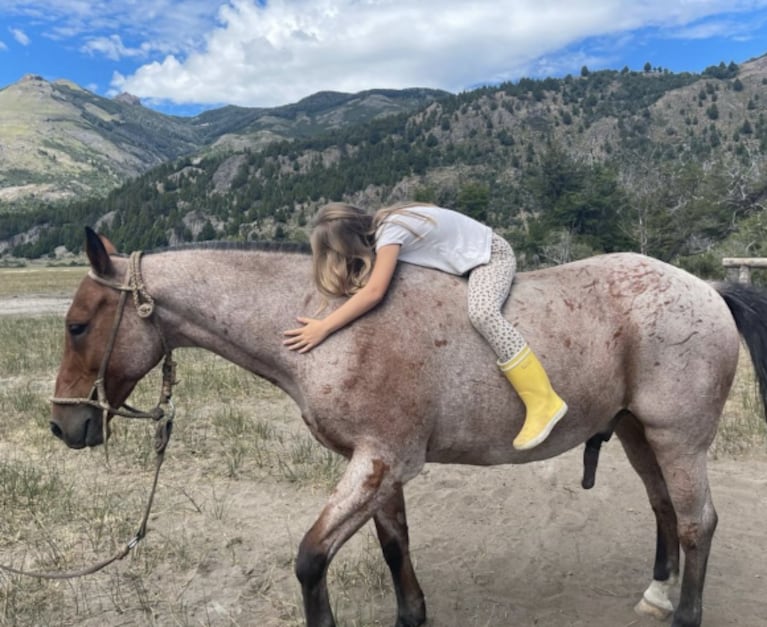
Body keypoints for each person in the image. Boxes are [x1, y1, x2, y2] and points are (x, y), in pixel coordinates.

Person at [283, 201, 567, 450]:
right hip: (466, 259)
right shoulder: (386, 226)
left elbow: (374, 292)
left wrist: (324, 327)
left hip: (491, 257)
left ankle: (544, 400)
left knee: (483, 313)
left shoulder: (390, 233)